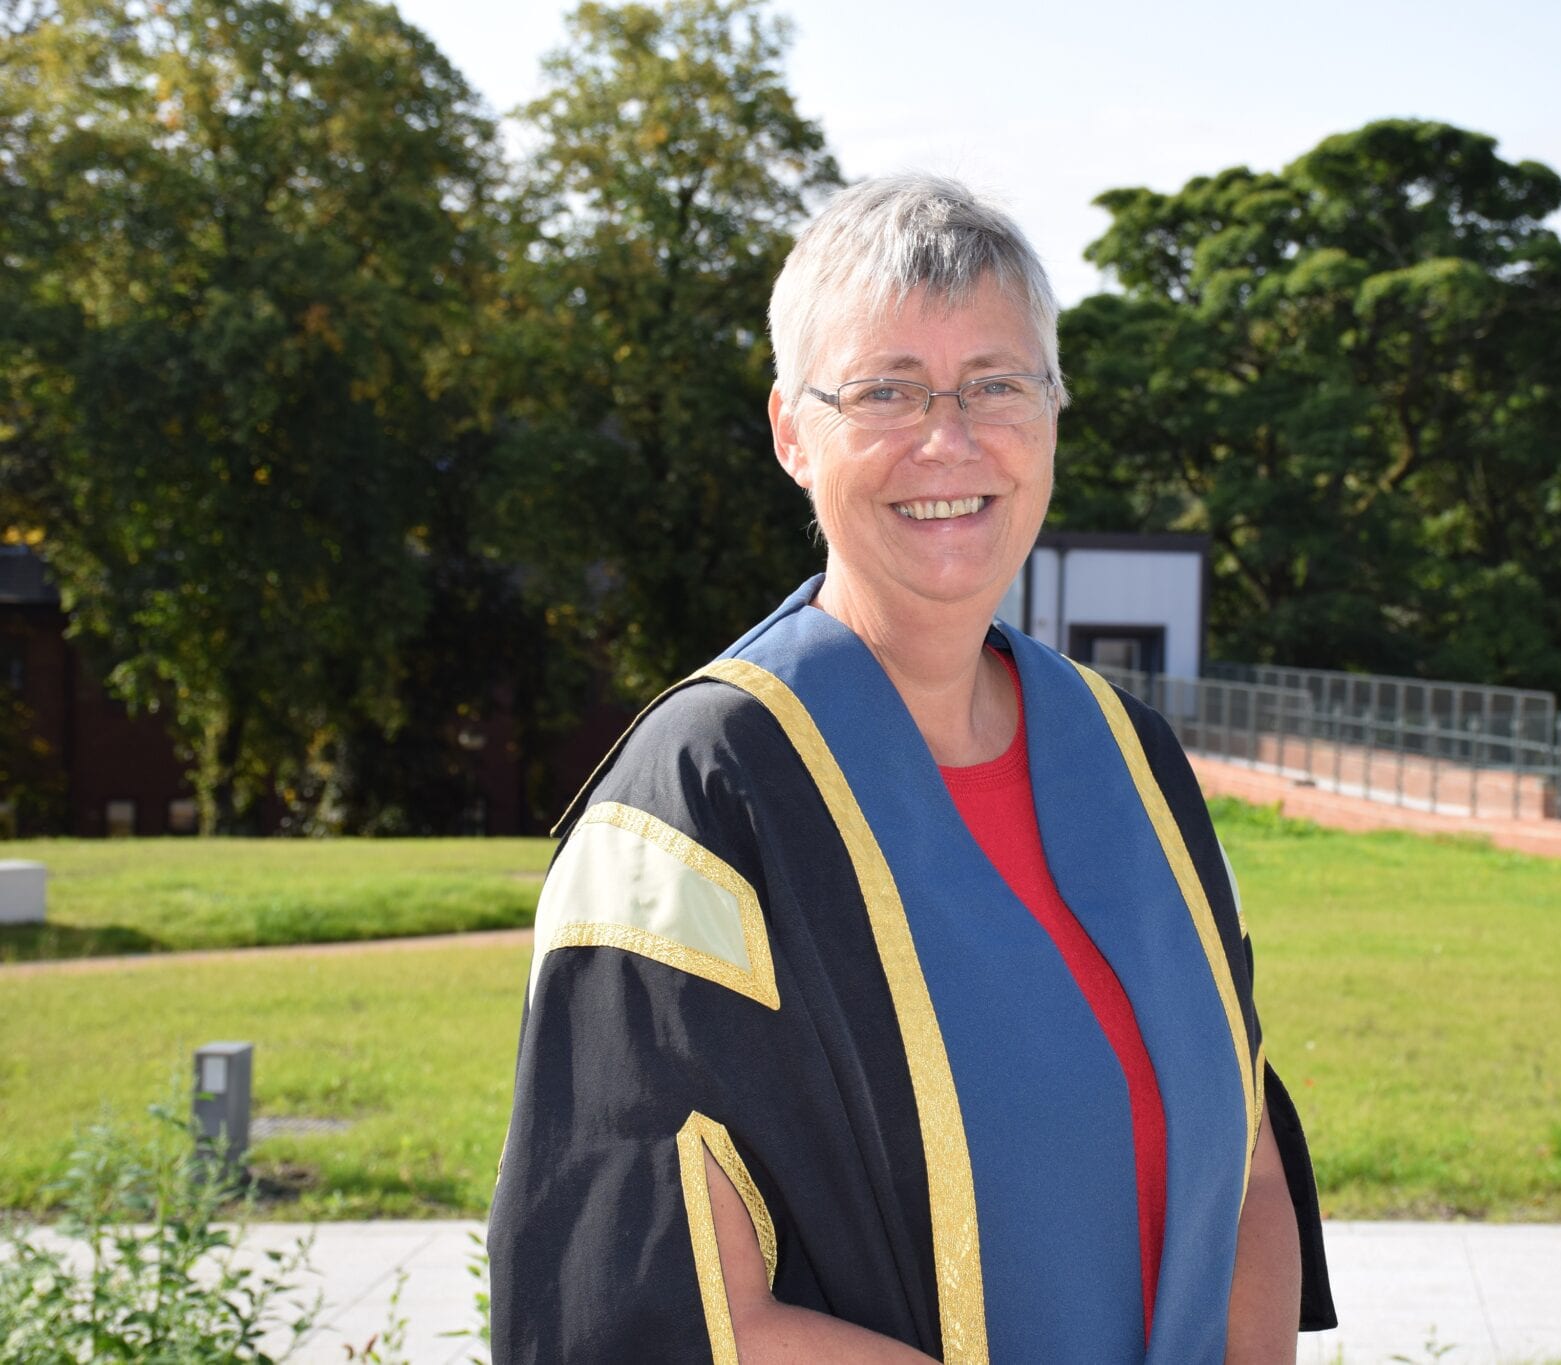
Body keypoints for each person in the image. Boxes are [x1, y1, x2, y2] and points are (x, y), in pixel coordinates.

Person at [488, 173, 1335, 1363]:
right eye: (886, 390)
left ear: (1050, 411)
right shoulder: (704, 796)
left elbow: (1243, 1166)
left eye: (996, 383)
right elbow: (658, 1304)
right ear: (791, 430)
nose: (949, 438)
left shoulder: (1130, 760)